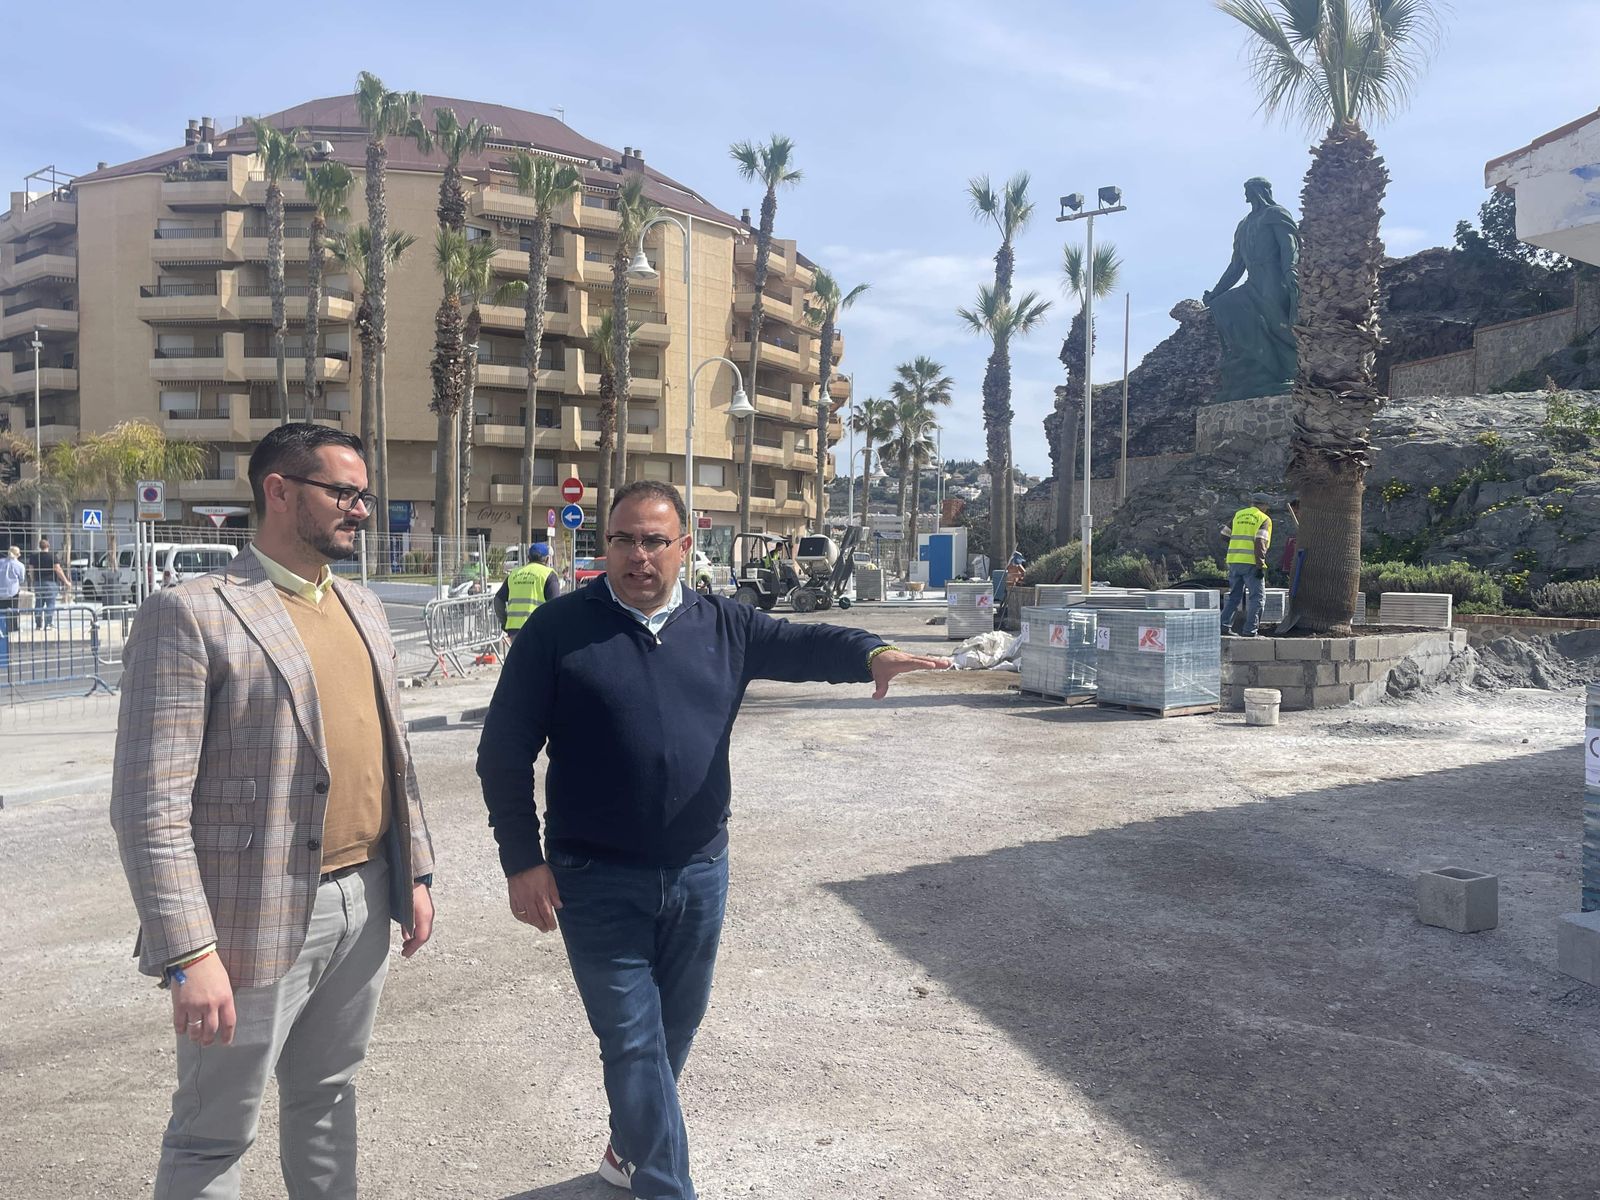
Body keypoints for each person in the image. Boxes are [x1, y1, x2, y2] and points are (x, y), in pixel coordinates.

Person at [476, 480, 948, 1200]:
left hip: (699, 873)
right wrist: (522, 861)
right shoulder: (557, 630)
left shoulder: (725, 623)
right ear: (604, 546)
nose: (637, 555)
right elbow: (503, 753)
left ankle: (624, 1151)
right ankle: (666, 1187)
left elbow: (808, 642)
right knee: (633, 1043)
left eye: (654, 540)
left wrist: (873, 652)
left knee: (670, 1038)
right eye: (623, 540)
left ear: (685, 548)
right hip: (593, 878)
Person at [110, 423, 436, 1200]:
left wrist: (415, 871)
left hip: (365, 896)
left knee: (328, 1100)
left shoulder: (363, 606)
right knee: (214, 1131)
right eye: (344, 493)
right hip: (246, 917)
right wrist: (189, 953)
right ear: (279, 491)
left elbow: (393, 757)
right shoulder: (192, 613)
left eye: (364, 494)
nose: (361, 510)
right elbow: (147, 804)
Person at [1202, 177, 1300, 403]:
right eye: (1245, 190)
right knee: (1225, 304)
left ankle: (1291, 371)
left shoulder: (1276, 213)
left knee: (1279, 325)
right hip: (1254, 280)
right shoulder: (1244, 225)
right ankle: (1257, 364)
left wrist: (1291, 271)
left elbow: (1289, 245)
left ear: (1261, 191)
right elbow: (1236, 265)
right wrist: (1216, 293)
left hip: (1274, 278)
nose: (1247, 195)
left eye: (1250, 190)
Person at [1219, 492, 1273, 637]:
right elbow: (1260, 542)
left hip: (1234, 561)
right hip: (1251, 563)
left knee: (1234, 596)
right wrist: (1260, 564)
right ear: (1264, 505)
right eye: (1267, 506)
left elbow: (1224, 535)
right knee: (1257, 598)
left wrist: (1238, 543)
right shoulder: (1264, 518)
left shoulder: (1239, 515)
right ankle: (1250, 631)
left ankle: (1223, 627)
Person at [495, 541, 562, 633]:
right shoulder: (548, 574)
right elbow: (555, 605)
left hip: (514, 629)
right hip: (538, 629)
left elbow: (498, 600)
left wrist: (505, 622)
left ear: (528, 558)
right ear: (547, 559)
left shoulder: (514, 574)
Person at [26, 535, 71, 629]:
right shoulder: (52, 556)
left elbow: (31, 570)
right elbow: (58, 569)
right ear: (48, 546)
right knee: (50, 603)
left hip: (38, 582)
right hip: (51, 582)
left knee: (39, 603)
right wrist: (66, 581)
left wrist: (34, 580)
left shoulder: (34, 556)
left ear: (39, 546)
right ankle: (48, 623)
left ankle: (38, 624)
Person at [0, 545, 23, 634]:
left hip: (1, 590)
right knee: (13, 610)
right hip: (12, 591)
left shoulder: (1, 562)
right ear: (18, 554)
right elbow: (22, 579)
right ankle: (13, 627)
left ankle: (1, 627)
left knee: (1, 610)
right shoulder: (20, 565)